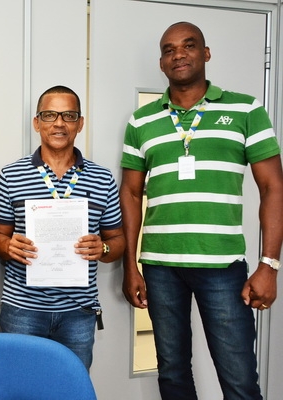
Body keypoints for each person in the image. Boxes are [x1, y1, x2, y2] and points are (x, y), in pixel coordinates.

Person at [120, 21, 283, 400]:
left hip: (222, 265)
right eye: (169, 50)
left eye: (189, 45)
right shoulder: (141, 121)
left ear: (206, 53)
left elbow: (273, 187)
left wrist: (269, 265)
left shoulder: (245, 109)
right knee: (172, 373)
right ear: (161, 63)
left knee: (239, 380)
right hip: (160, 266)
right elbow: (130, 193)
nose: (178, 54)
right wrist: (131, 266)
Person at [0, 85, 125, 370]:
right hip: (23, 309)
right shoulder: (11, 175)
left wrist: (102, 248)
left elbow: (117, 241)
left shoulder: (102, 178)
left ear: (80, 123)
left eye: (69, 115)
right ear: (37, 122)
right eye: (50, 115)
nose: (59, 123)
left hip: (79, 312)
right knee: (20, 387)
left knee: (71, 387)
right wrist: (8, 246)